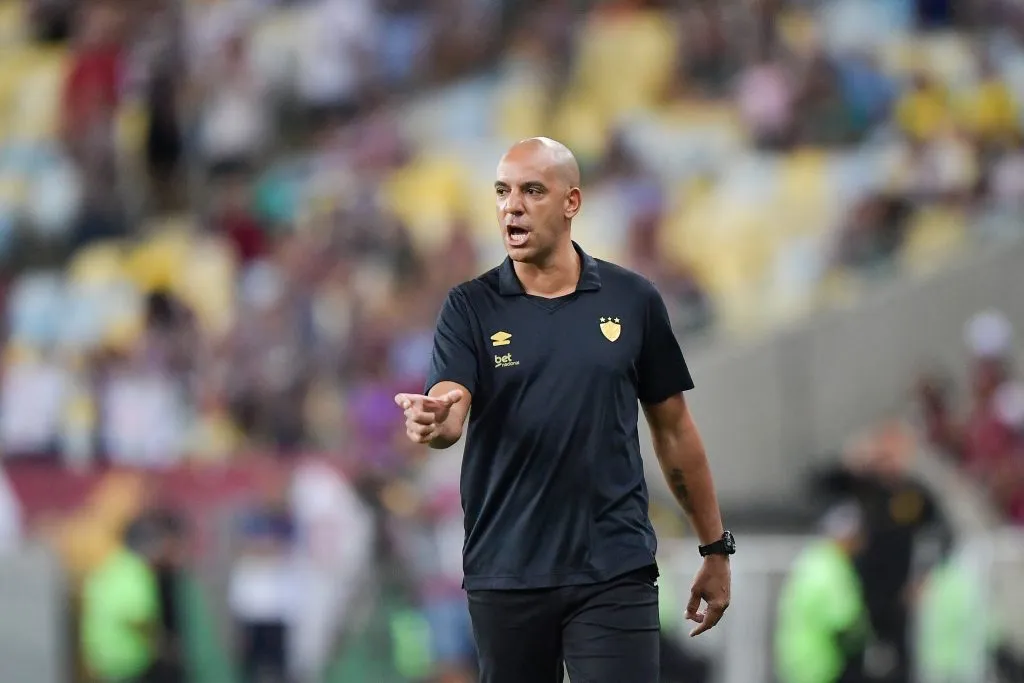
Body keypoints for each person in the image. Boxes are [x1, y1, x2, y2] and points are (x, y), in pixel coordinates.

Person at [394, 137, 733, 683]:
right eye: (502, 192)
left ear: (571, 202)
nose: (512, 206)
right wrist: (435, 421)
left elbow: (674, 430)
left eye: (532, 190)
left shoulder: (632, 300)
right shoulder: (470, 306)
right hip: (507, 570)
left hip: (614, 567)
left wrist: (715, 547)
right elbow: (451, 409)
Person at [775, 502, 872, 683]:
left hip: (795, 663)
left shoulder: (810, 559)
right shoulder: (834, 568)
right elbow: (844, 623)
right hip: (823, 667)